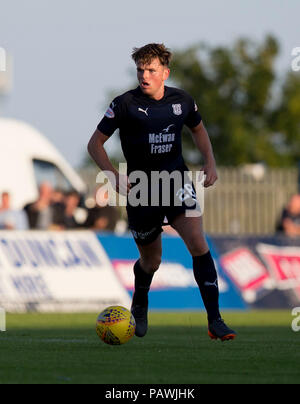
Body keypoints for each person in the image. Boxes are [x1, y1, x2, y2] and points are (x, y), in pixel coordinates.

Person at [88, 43, 236, 341]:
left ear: (165, 73)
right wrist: (113, 175)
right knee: (151, 261)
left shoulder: (182, 100)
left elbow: (198, 129)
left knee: (197, 242)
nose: (144, 75)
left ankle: (215, 320)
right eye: (140, 70)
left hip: (177, 182)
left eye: (151, 70)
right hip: (141, 188)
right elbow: (95, 144)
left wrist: (210, 162)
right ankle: (140, 303)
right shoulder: (124, 104)